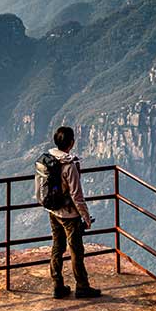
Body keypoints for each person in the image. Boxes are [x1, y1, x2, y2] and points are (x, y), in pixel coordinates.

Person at [45, 126, 102, 299]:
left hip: (53, 211)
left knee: (57, 247)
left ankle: (58, 285)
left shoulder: (49, 158)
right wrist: (86, 217)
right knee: (76, 251)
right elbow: (77, 196)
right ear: (71, 143)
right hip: (69, 215)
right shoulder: (69, 165)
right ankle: (82, 287)